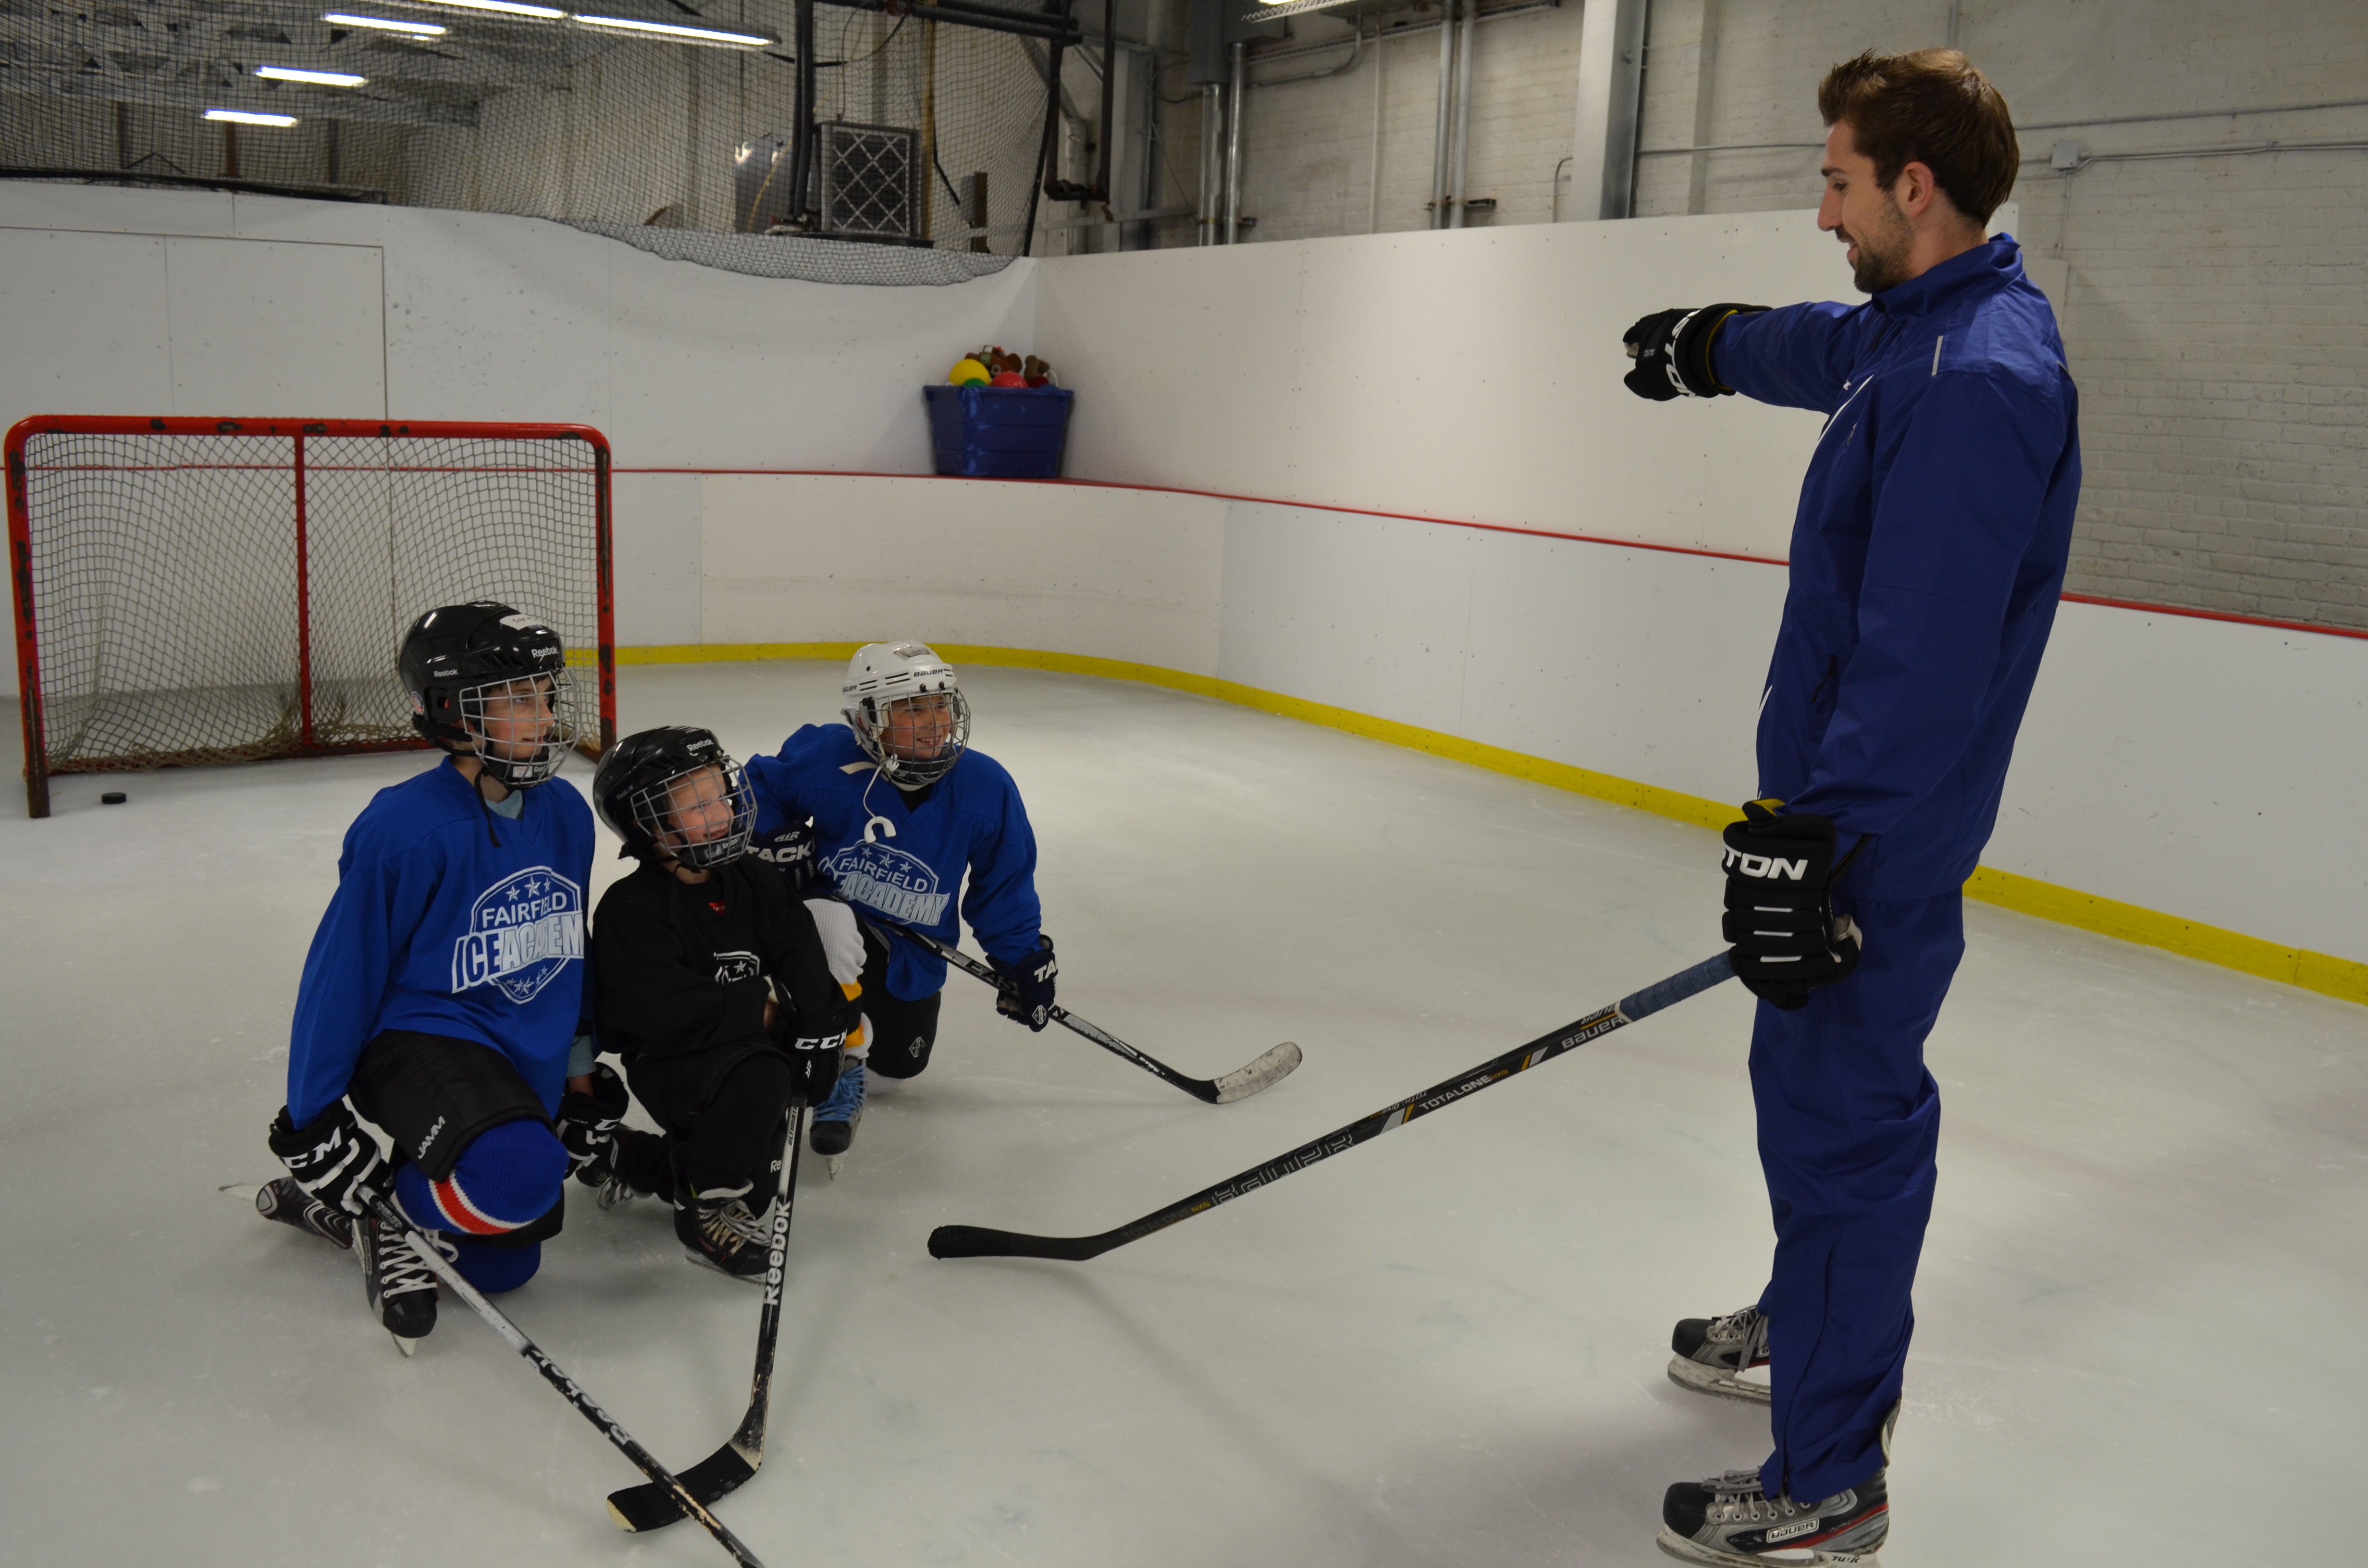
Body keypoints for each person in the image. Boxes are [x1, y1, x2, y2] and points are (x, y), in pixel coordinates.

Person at [1621, 49, 2079, 1565]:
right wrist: (1720, 343)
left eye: (1833, 180)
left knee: (1845, 1126)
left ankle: (1830, 1475)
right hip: (1840, 812)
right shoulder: (1927, 332)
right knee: (1806, 1099)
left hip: (1868, 835)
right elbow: (1836, 345)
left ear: (1911, 185)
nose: (1819, 208)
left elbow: (1923, 656)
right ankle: (1811, 1316)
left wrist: (1818, 837)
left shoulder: (1976, 382)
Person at [259, 602, 599, 1353]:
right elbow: (341, 977)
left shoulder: (567, 814)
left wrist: (580, 1075)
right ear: (450, 712)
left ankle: (366, 1212)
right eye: (514, 700)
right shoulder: (405, 829)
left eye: (545, 695)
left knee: (508, 1264)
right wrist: (312, 1120)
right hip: (420, 1035)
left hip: (515, 1051)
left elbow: (571, 949)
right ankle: (381, 1215)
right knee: (517, 1173)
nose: (542, 717)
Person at [743, 642, 1058, 1164]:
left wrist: (1021, 958)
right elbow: (757, 785)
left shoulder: (985, 786)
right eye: (911, 709)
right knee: (830, 922)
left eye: (940, 705)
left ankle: (839, 1047)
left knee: (895, 1072)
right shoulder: (827, 758)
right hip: (824, 924)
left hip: (910, 950)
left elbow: (1004, 884)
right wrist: (774, 836)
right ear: (866, 721)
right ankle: (823, 1050)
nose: (934, 722)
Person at [581, 726, 860, 1280]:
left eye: (719, 796)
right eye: (697, 804)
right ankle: (703, 1216)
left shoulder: (754, 880)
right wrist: (760, 1008)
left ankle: (624, 1157)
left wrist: (820, 1030)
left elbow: (800, 954)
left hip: (754, 1057)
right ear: (645, 823)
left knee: (753, 1192)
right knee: (755, 1091)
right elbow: (659, 1011)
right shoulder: (628, 909)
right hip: (675, 1067)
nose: (720, 812)